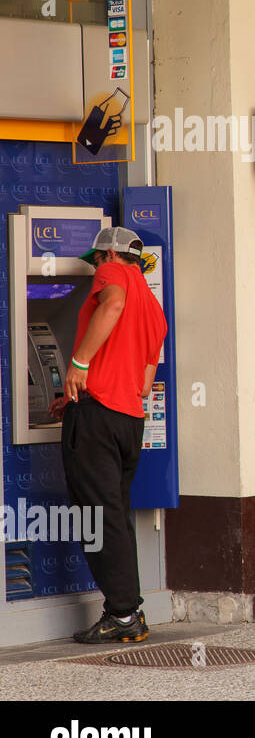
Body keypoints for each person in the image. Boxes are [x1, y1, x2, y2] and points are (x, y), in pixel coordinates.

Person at [51, 226, 167, 643]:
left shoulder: (114, 277)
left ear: (108, 257)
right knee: (114, 515)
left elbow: (112, 304)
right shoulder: (154, 309)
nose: (95, 269)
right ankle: (126, 609)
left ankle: (122, 614)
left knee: (96, 516)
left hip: (98, 418)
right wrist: (77, 397)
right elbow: (141, 381)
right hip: (127, 420)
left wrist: (79, 365)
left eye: (96, 260)